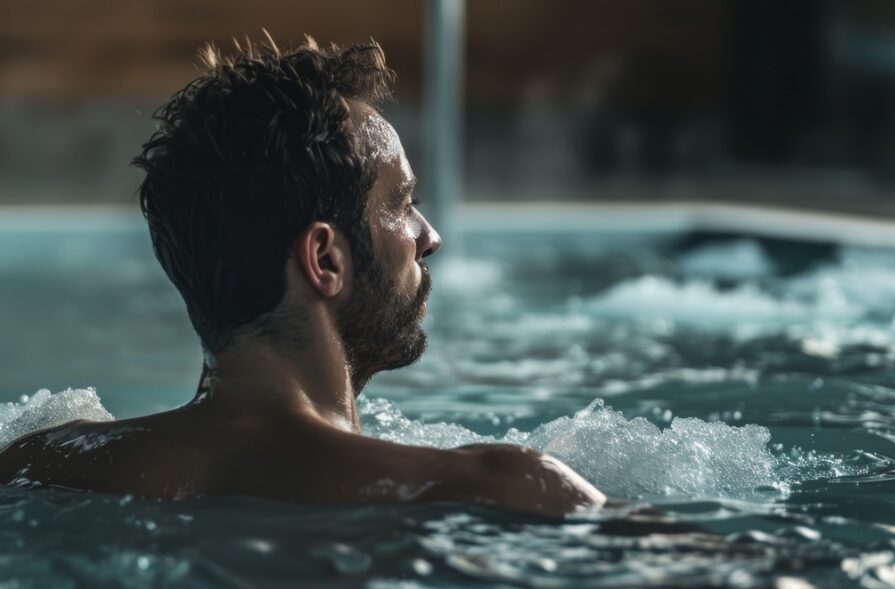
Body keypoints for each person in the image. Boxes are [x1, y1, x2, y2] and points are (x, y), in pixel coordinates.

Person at [0, 36, 605, 516]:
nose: (430, 236)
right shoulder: (499, 492)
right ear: (324, 260)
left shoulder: (41, 464)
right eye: (401, 205)